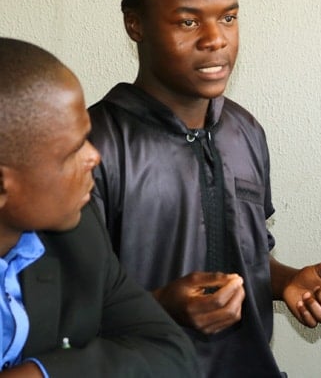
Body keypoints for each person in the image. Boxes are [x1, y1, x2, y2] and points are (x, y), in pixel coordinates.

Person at [89, 0, 321, 377]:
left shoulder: (244, 131)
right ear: (135, 25)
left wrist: (288, 281)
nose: (216, 40)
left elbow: (243, 254)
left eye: (228, 17)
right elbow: (60, 306)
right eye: (188, 22)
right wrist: (159, 307)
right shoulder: (93, 146)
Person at [0, 38, 199, 377]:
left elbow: (171, 353)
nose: (94, 157)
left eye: (87, 139)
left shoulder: (77, 235)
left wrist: (40, 374)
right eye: (72, 152)